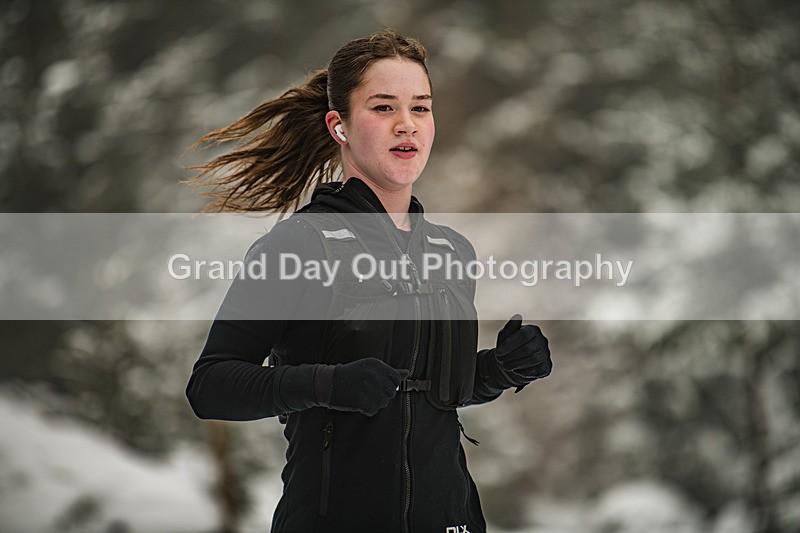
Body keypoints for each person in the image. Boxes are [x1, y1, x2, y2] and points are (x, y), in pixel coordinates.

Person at [185, 29, 552, 533]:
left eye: (421, 108)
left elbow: (434, 389)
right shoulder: (301, 244)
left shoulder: (450, 251)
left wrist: (501, 370)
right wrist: (327, 384)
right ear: (339, 125)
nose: (408, 125)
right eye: (384, 108)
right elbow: (210, 386)